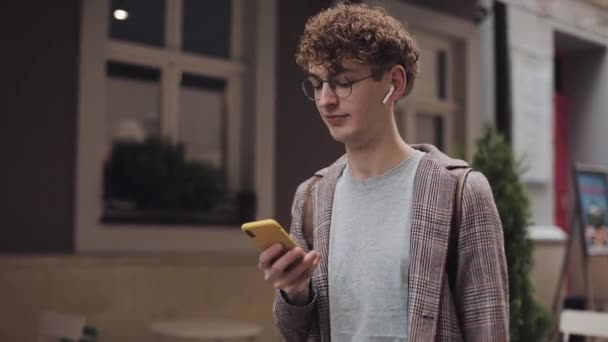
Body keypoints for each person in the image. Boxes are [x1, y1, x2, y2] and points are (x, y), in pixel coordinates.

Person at [257, 3, 509, 341]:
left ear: (394, 82)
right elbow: (295, 334)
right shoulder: (312, 198)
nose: (326, 100)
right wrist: (294, 292)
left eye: (343, 81)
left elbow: (488, 330)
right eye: (318, 85)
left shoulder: (461, 192)